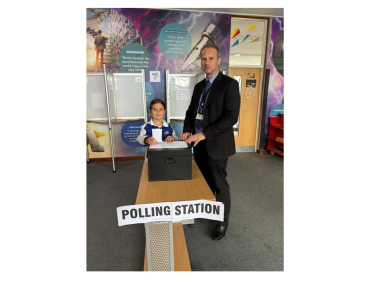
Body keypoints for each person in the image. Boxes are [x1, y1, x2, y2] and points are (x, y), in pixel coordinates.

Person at [180, 44, 240, 241]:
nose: (206, 62)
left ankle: (222, 222)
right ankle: (207, 208)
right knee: (203, 181)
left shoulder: (229, 84)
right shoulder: (199, 86)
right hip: (198, 144)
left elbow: (231, 117)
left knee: (219, 184)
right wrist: (187, 129)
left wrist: (204, 134)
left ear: (218, 60)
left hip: (216, 144)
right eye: (203, 59)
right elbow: (191, 111)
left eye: (210, 58)